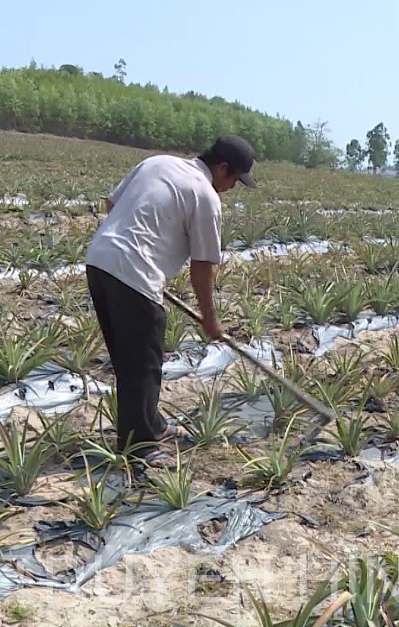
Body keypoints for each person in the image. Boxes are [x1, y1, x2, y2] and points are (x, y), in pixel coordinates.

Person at [84, 135, 257, 468]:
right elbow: (203, 266)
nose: (233, 187)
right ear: (222, 168)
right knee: (144, 364)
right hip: (133, 272)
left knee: (129, 360)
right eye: (235, 179)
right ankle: (140, 448)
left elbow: (111, 204)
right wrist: (210, 318)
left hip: (99, 261)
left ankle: (153, 424)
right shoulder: (206, 196)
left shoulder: (158, 162)